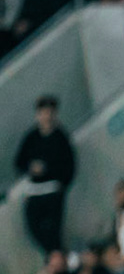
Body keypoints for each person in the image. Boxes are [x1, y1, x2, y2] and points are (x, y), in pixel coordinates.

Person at [15, 96, 75, 255]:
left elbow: (69, 165)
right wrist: (30, 167)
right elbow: (19, 161)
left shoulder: (60, 138)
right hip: (35, 191)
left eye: (49, 113)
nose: (46, 116)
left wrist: (57, 180)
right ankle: (55, 257)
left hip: (53, 190)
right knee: (35, 229)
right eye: (43, 113)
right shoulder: (32, 137)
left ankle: (57, 259)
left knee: (54, 231)